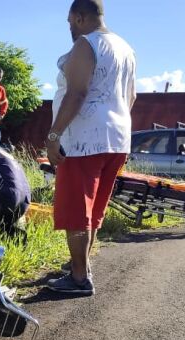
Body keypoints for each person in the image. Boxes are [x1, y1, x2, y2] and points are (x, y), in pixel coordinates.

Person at [46, 0, 136, 295]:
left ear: (80, 17)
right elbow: (131, 96)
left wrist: (54, 135)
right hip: (118, 137)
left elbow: (77, 93)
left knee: (76, 208)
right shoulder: (125, 48)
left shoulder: (87, 44)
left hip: (85, 138)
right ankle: (81, 265)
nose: (69, 27)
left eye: (70, 21)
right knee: (93, 208)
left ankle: (79, 278)